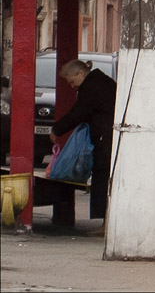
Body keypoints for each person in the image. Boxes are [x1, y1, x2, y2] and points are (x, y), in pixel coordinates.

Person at [49, 58, 117, 229]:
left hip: (105, 136)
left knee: (102, 175)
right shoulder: (100, 82)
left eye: (72, 81)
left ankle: (106, 223)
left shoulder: (93, 87)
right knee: (104, 176)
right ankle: (105, 222)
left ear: (80, 73)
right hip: (107, 134)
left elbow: (78, 112)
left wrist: (57, 129)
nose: (73, 86)